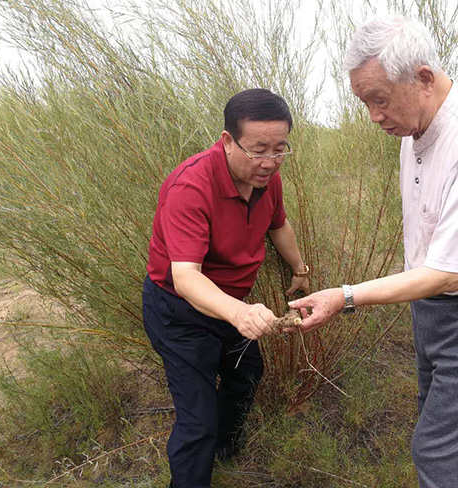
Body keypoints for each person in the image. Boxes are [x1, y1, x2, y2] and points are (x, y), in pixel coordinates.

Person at [288, 16, 458, 488]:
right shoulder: (415, 126)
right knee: (438, 427)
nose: (373, 116)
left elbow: (450, 274)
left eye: (379, 100)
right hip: (434, 308)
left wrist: (343, 296)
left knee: (442, 455)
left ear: (423, 78)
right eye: (365, 102)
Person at [143, 88, 309, 488]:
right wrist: (239, 313)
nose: (269, 162)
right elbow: (186, 277)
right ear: (227, 141)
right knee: (197, 419)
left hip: (232, 305)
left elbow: (278, 225)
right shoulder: (191, 185)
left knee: (246, 376)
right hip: (179, 311)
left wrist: (300, 269)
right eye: (258, 150)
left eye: (280, 149)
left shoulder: (267, 177)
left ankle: (224, 452)